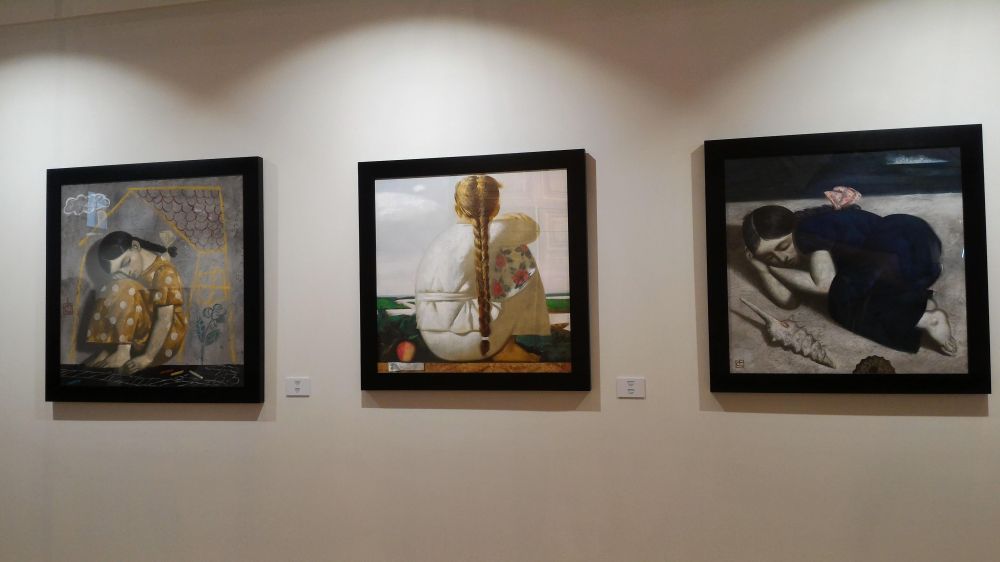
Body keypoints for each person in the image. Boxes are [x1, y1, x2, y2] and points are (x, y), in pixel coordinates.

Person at [742, 199, 957, 355]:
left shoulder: (806, 231)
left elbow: (823, 285)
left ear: (793, 229)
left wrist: (772, 267)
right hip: (916, 255)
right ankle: (922, 305)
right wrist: (762, 269)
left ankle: (926, 319)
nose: (782, 258)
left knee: (842, 301)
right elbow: (789, 302)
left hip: (899, 244)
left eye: (783, 246)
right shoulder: (809, 239)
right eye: (769, 257)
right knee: (859, 287)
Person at [414, 175, 551, 361]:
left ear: (456, 207)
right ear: (496, 207)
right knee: (519, 252)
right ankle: (508, 349)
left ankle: (505, 346)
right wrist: (500, 218)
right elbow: (533, 229)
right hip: (479, 341)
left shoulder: (441, 240)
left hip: (435, 342)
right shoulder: (498, 230)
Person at [83, 231, 188, 373]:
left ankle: (122, 352)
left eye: (126, 263)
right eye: (119, 271)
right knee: (112, 287)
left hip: (163, 340)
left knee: (126, 286)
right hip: (138, 336)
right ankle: (110, 348)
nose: (126, 272)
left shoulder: (164, 271)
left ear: (135, 246)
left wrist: (148, 357)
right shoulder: (134, 274)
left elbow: (165, 319)